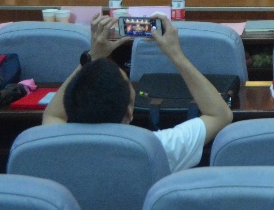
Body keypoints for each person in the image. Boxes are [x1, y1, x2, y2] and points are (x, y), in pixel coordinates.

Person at [43, 15, 232, 173]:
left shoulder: (55, 146)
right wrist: (176, 54)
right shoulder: (156, 147)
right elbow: (220, 114)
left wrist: (93, 56)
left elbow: (53, 114)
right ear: (128, 114)